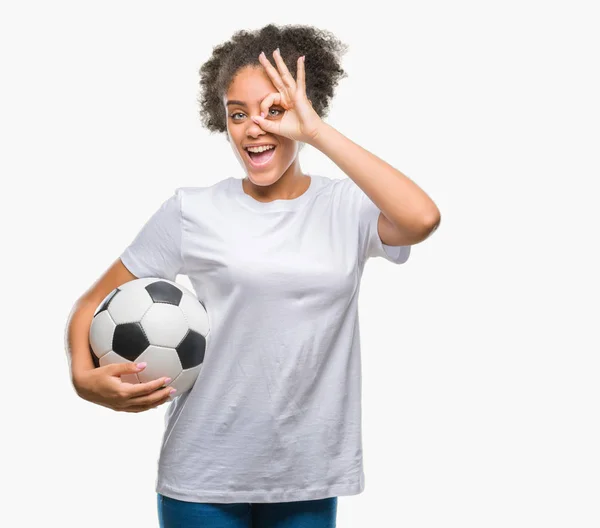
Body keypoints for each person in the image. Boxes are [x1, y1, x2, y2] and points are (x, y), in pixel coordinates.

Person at [65, 23, 441, 528]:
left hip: (305, 475)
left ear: (306, 110)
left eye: (275, 111)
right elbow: (92, 304)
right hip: (203, 474)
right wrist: (82, 377)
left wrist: (316, 133)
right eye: (237, 114)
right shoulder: (192, 211)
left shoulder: (346, 207)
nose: (254, 128)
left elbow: (422, 219)